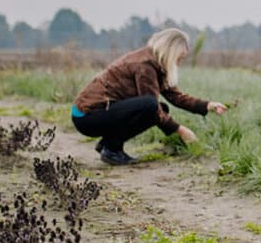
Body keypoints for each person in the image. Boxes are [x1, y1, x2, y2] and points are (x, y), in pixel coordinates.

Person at [71, 28, 227, 165]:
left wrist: (207, 105)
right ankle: (111, 149)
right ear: (170, 52)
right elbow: (150, 105)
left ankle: (110, 144)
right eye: (179, 58)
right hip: (87, 116)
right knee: (151, 106)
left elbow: (175, 97)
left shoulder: (155, 63)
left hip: (97, 113)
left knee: (159, 108)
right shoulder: (145, 65)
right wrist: (181, 130)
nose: (179, 63)